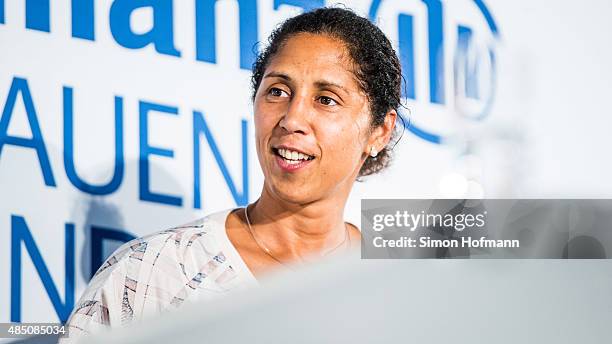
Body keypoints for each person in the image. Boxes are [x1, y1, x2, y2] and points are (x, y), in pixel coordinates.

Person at [60, 6, 401, 342]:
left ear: (380, 132)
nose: (292, 119)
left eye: (326, 99)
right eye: (277, 92)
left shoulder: (408, 270)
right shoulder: (154, 270)